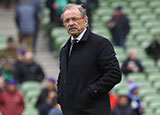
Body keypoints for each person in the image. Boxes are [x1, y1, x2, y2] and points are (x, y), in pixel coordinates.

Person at [57, 4, 121, 115]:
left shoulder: (100, 44)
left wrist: (90, 92)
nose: (71, 23)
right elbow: (62, 77)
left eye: (74, 19)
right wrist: (61, 98)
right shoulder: (64, 49)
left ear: (85, 21)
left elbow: (114, 74)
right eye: (67, 20)